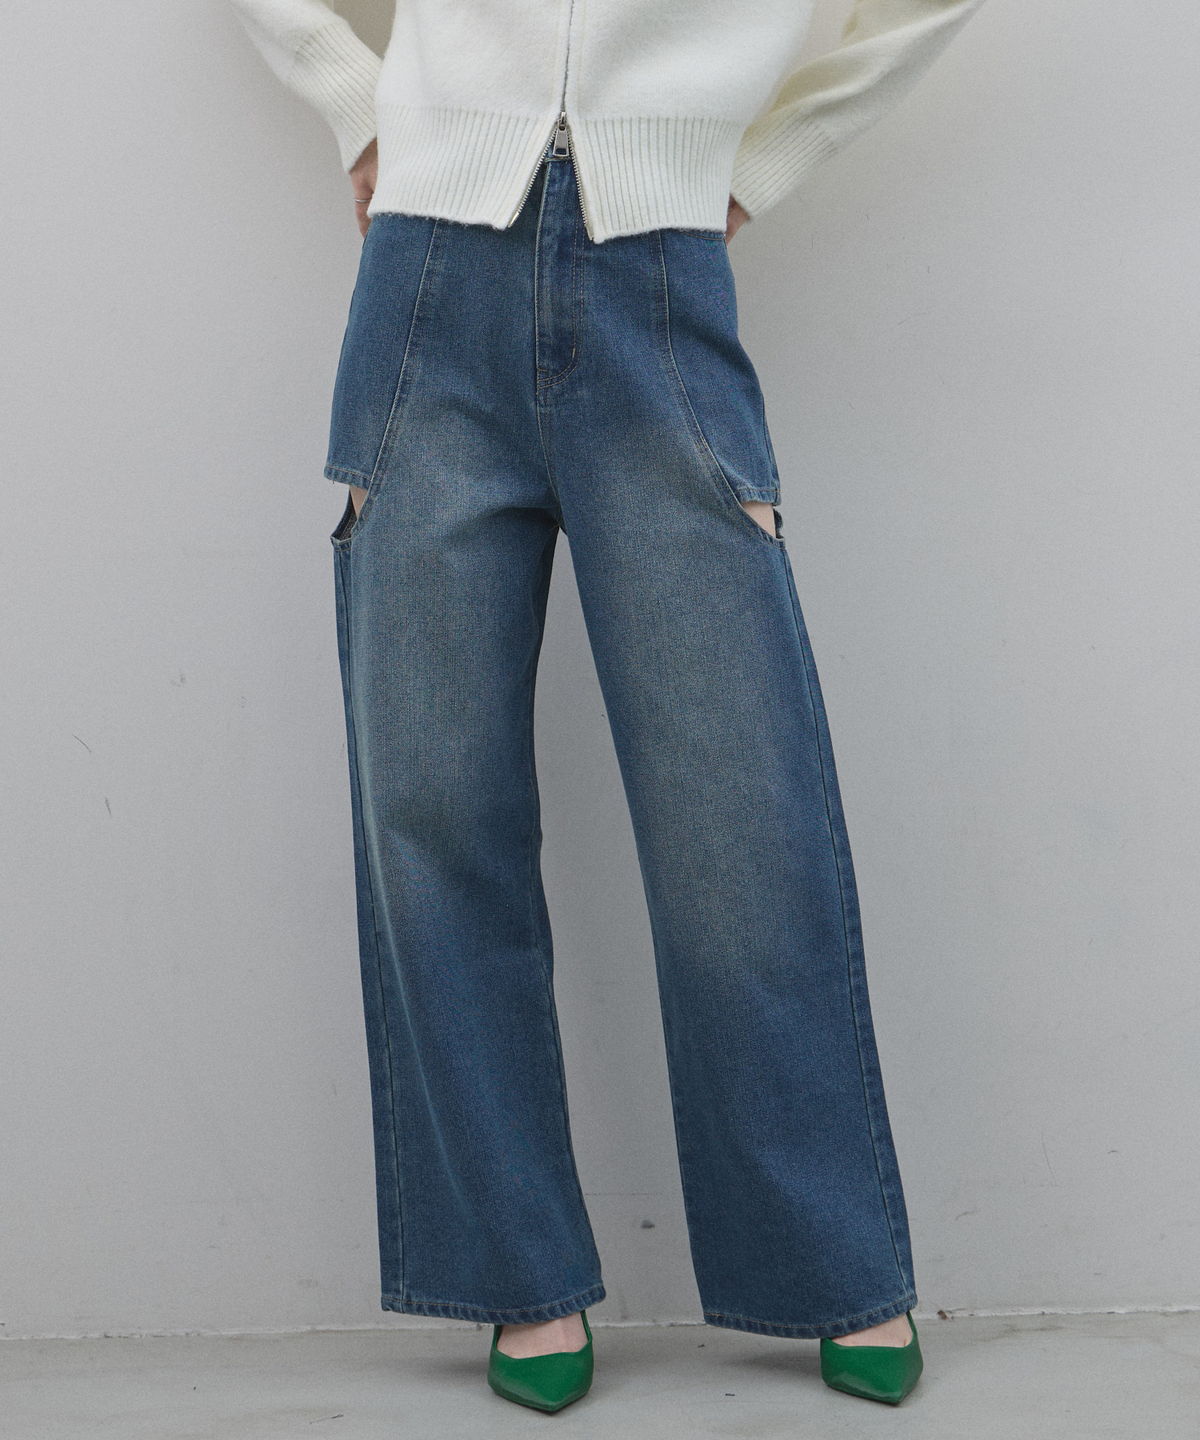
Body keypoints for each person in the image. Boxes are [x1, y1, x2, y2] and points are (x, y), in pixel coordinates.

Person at [225, 0, 986, 1411]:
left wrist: (760, 157)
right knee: (432, 807)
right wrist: (353, 97)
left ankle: (829, 1261)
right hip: (425, 279)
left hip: (661, 281)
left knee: (738, 812)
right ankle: (517, 1274)